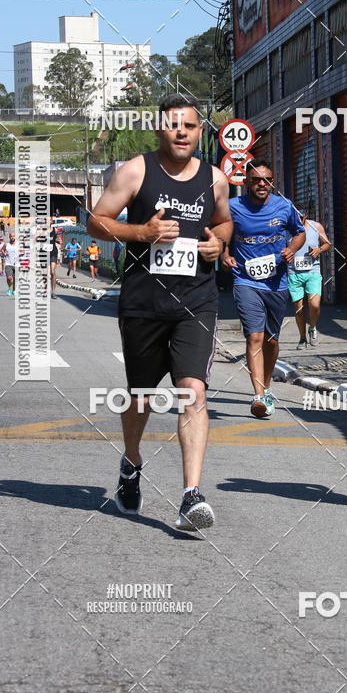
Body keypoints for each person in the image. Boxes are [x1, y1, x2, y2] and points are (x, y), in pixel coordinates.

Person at [88, 94, 232, 530]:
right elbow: (97, 220)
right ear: (160, 130)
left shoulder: (215, 178)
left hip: (197, 302)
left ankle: (191, 494)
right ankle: (131, 462)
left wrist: (218, 242)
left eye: (189, 125)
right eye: (174, 125)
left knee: (193, 390)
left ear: (200, 131)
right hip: (143, 304)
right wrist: (141, 231)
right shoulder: (136, 170)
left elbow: (224, 221)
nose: (182, 132)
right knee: (141, 396)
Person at [222, 159, 306, 419]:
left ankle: (267, 386)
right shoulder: (232, 207)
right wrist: (224, 254)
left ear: (272, 182)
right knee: (254, 337)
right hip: (245, 280)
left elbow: (300, 232)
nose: (262, 184)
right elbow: (220, 234)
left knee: (272, 340)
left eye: (266, 179)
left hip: (277, 282)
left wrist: (291, 249)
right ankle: (258, 396)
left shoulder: (284, 206)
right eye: (256, 179)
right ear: (246, 181)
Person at [287, 209, 331, 349]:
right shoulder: (287, 228)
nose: (298, 218)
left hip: (313, 271)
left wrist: (319, 250)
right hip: (294, 273)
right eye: (296, 215)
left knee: (315, 305)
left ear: (306, 215)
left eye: (301, 215)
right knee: (299, 310)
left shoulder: (315, 226)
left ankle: (312, 328)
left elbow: (327, 244)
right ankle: (302, 338)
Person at [48, 223, 61, 297]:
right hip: (44, 253)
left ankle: (53, 292)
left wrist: (58, 240)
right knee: (45, 274)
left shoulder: (55, 230)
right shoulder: (41, 230)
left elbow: (57, 239)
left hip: (53, 252)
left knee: (52, 272)